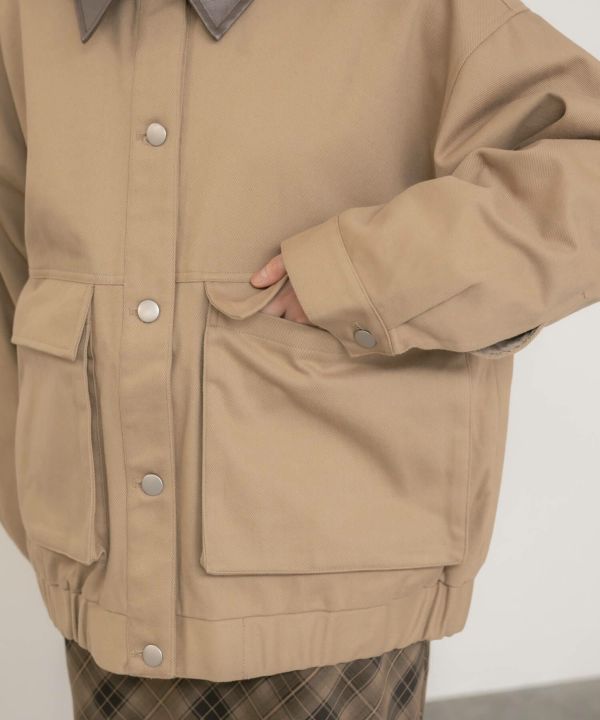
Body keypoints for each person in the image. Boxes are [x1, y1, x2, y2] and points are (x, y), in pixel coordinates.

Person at [1, 0, 599, 717]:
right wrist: (56, 519)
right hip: (108, 587)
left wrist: (365, 274)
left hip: (339, 586)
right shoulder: (26, 16)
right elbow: (17, 265)